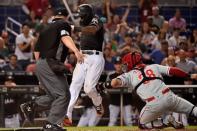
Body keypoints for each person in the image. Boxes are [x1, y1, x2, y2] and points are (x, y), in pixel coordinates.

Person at [20, 8, 84, 131]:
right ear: (65, 17)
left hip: (42, 64)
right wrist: (76, 50)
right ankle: (51, 124)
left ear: (54, 16)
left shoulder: (45, 28)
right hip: (51, 63)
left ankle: (31, 106)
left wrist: (41, 73)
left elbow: (37, 50)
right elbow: (65, 37)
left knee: (58, 95)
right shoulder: (63, 23)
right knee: (63, 95)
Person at [103, 51, 197, 129]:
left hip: (153, 104)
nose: (125, 66)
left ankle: (166, 121)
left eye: (126, 63)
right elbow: (173, 70)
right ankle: (169, 121)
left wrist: (103, 85)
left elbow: (114, 83)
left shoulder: (130, 74)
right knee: (193, 109)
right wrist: (190, 76)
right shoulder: (153, 66)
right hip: (169, 96)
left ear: (131, 62)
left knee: (142, 125)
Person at [65, 4, 105, 125]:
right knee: (74, 85)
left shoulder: (96, 19)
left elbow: (92, 30)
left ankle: (98, 103)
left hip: (95, 57)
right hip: (82, 56)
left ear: (87, 14)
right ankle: (68, 115)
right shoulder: (82, 22)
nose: (80, 17)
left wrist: (73, 27)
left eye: (81, 15)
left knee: (88, 89)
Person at [107, 56, 133, 126]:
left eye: (119, 63)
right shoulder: (111, 75)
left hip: (126, 100)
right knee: (112, 121)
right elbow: (107, 88)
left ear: (122, 65)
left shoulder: (127, 75)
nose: (118, 65)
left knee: (129, 121)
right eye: (116, 64)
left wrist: (118, 86)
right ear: (114, 65)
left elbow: (131, 87)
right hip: (114, 100)